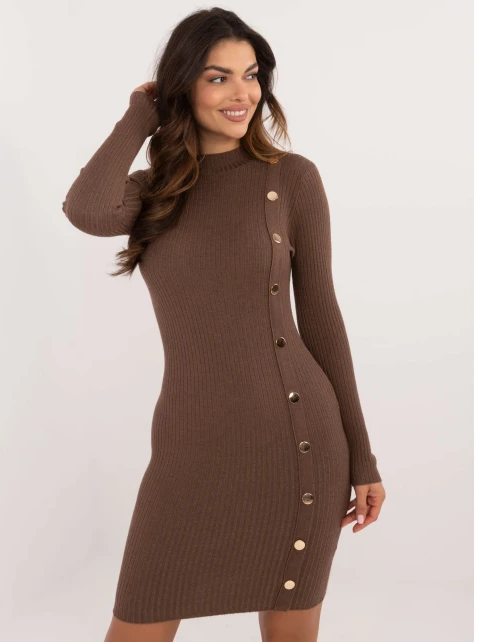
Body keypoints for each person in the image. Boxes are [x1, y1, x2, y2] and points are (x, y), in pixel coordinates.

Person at [62, 8, 386, 642]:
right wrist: (140, 115)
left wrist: (363, 458)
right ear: (181, 86)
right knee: (137, 621)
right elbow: (85, 209)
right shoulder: (150, 190)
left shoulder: (291, 179)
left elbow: (322, 320)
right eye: (218, 77)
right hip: (188, 448)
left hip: (297, 442)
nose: (242, 93)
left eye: (252, 75)